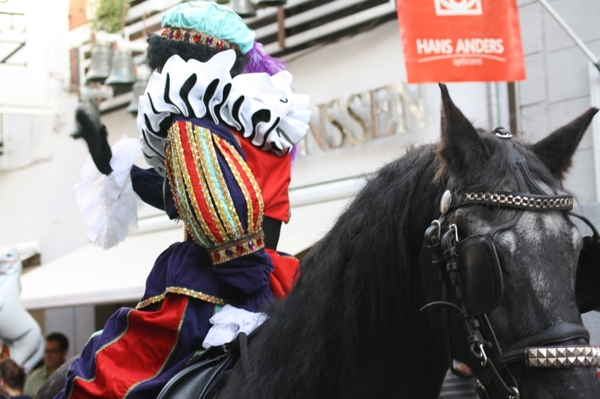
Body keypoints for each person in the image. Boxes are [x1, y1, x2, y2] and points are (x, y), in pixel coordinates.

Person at [55, 2, 310, 398]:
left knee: (111, 376)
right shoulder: (260, 120)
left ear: (189, 62)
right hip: (267, 273)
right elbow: (187, 198)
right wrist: (111, 162)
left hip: (221, 279)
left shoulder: (195, 123)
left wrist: (247, 281)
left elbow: (218, 215)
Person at [23, 333, 68, 398]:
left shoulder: (74, 374)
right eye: (46, 351)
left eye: (52, 351)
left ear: (64, 352)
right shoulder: (33, 379)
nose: (48, 355)